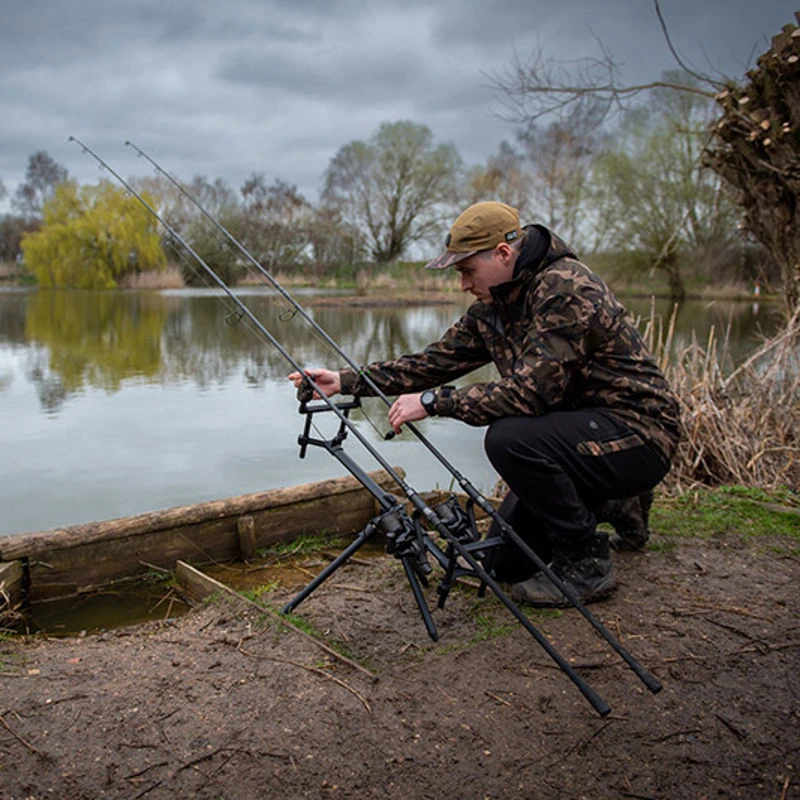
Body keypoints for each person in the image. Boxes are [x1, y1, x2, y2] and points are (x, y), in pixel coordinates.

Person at [289, 201, 680, 607]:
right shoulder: (495, 308)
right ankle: (619, 503)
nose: (462, 284)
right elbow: (432, 363)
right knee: (502, 564)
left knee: (509, 439)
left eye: (467, 270)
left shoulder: (565, 288)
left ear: (503, 253)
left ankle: (586, 564)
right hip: (580, 438)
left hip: (638, 436)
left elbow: (531, 393)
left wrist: (435, 402)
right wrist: (345, 381)